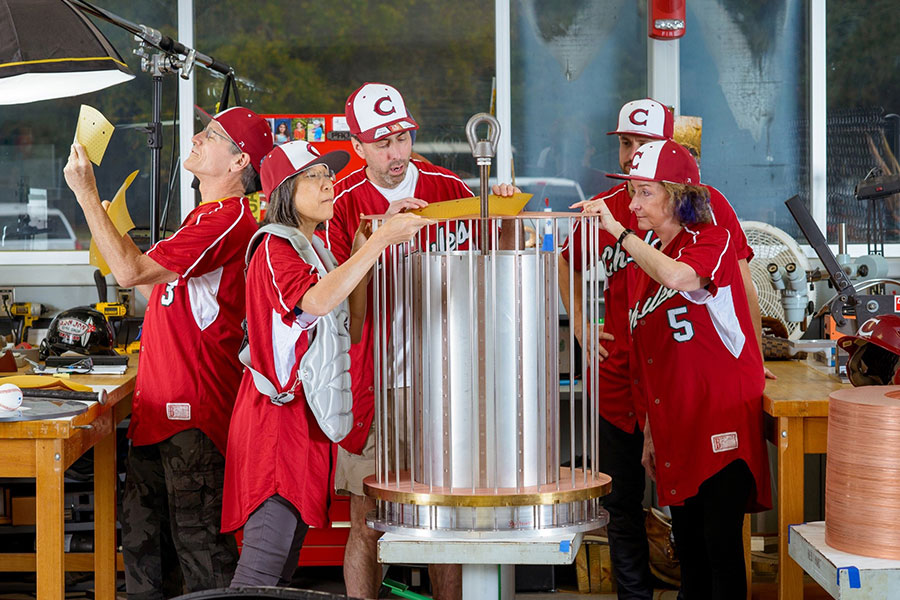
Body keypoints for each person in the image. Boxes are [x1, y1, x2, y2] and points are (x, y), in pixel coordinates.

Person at [559, 98, 765, 599]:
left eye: (643, 189)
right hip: (659, 407)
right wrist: (585, 328)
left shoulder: (706, 232)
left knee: (715, 541)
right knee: (671, 532)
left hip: (706, 406)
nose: (631, 198)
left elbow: (696, 281)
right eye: (627, 147)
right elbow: (647, 358)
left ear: (673, 190)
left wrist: (754, 357)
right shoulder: (629, 239)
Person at [64, 106, 273, 598]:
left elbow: (130, 275)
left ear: (240, 161)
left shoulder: (227, 219)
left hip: (193, 423)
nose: (197, 136)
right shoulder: (198, 220)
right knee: (145, 560)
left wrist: (86, 194)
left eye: (214, 134)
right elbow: (149, 288)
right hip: (156, 417)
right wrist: (115, 239)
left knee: (203, 565)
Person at [325, 82, 518, 600]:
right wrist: (376, 237)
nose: (395, 152)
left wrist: (502, 216)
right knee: (365, 519)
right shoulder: (342, 203)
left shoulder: (446, 185)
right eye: (382, 142)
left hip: (440, 383)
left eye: (402, 138)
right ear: (358, 145)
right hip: (367, 382)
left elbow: (495, 260)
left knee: (441, 520)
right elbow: (337, 301)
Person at [221, 141, 430, 588]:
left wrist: (363, 245)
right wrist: (376, 244)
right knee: (263, 563)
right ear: (282, 191)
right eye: (313, 176)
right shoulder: (276, 247)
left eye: (328, 174)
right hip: (275, 424)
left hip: (307, 423)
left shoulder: (314, 248)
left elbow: (352, 326)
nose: (328, 182)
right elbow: (312, 303)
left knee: (285, 560)